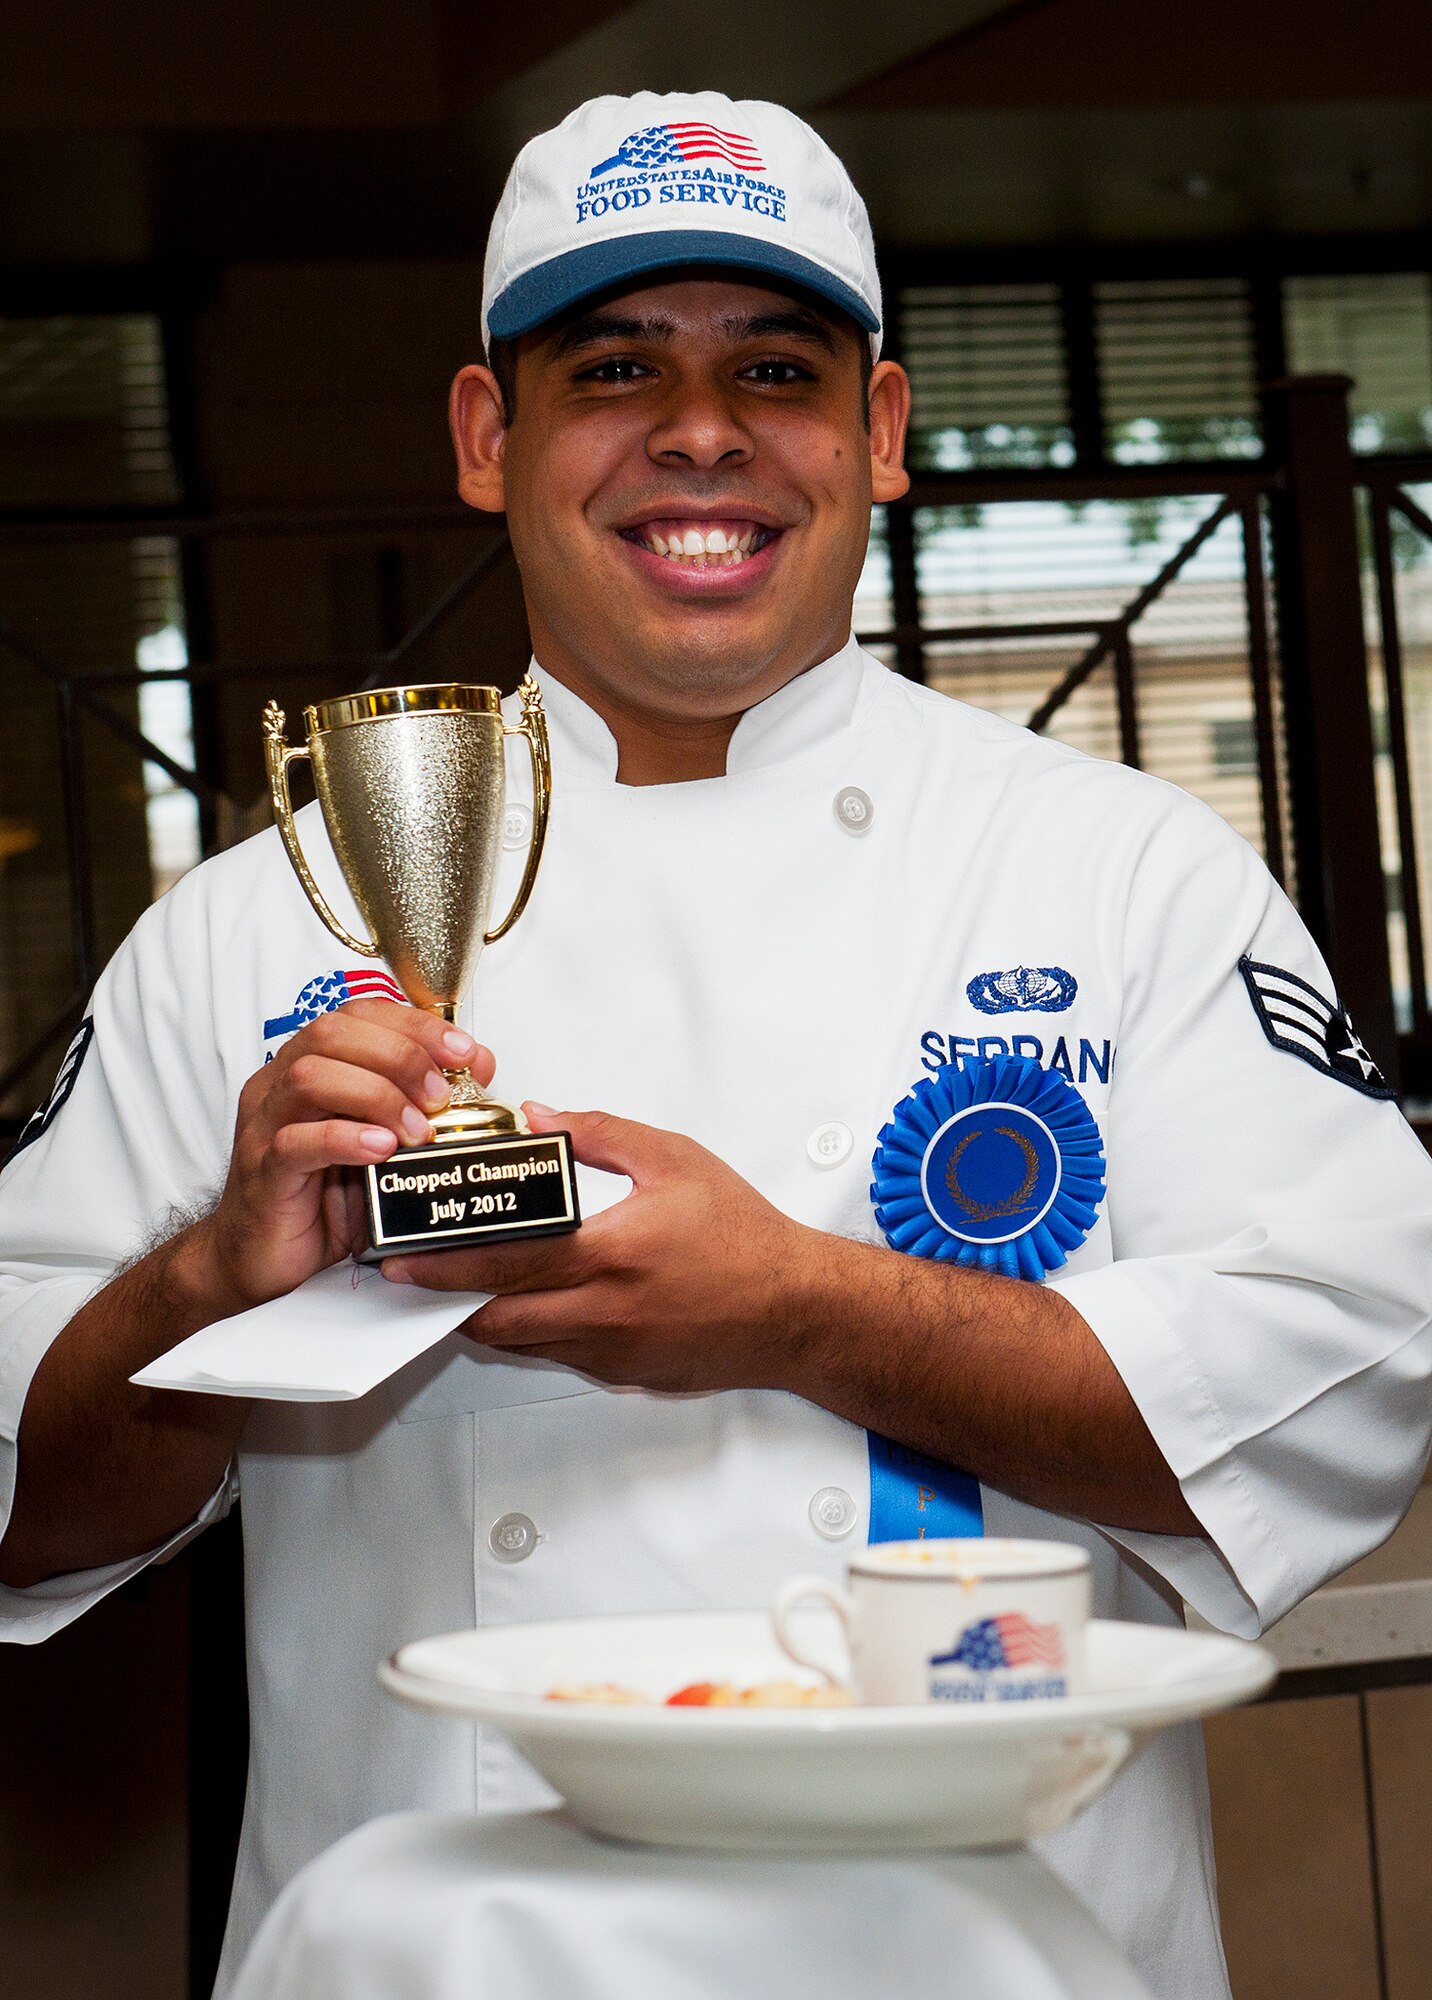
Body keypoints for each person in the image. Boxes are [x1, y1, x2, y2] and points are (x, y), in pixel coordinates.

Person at [2, 88, 1430, 2000]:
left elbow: (1356, 1380)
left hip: (1001, 1954)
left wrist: (798, 1308)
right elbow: (16, 1505)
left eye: (774, 364)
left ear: (882, 435)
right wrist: (207, 1287)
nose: (700, 432)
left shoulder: (1123, 875)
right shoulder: (259, 926)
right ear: (486, 438)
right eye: (614, 367)